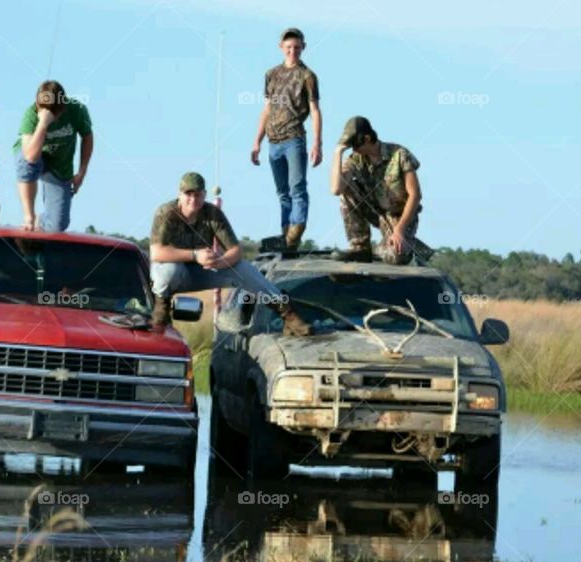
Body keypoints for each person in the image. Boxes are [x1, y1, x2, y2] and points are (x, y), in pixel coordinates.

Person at [149, 172, 312, 336]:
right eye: (188, 194)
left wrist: (220, 261)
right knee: (168, 270)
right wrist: (195, 255)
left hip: (203, 270)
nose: (193, 199)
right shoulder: (166, 213)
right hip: (176, 273)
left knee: (244, 268)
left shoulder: (212, 213)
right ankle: (161, 312)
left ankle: (287, 313)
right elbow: (156, 253)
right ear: (180, 195)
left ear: (204, 194)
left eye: (198, 194)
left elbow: (236, 250)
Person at [250, 27, 322, 250]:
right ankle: (285, 234)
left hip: (294, 139)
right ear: (281, 48)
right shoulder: (271, 74)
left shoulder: (307, 76)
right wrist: (257, 141)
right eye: (289, 47)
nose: (293, 51)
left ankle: (294, 235)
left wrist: (317, 144)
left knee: (297, 189)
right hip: (273, 141)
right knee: (282, 193)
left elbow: (315, 110)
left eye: (297, 47)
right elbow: (266, 109)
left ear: (303, 48)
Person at [330, 116, 423, 264]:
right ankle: (359, 247)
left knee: (395, 257)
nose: (353, 149)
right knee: (346, 190)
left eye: (355, 145)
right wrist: (337, 154)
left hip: (399, 217)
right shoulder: (356, 159)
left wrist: (399, 230)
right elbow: (336, 189)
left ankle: (407, 247)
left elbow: (415, 195)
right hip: (375, 213)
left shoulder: (399, 154)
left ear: (367, 139)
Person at [14, 81, 93, 232]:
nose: (51, 117)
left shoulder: (77, 109)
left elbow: (87, 137)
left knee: (58, 225)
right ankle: (29, 217)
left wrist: (82, 172)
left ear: (62, 108)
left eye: (54, 114)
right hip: (35, 155)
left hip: (59, 165)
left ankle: (40, 221)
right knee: (26, 161)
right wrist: (43, 124)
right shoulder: (31, 114)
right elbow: (30, 156)